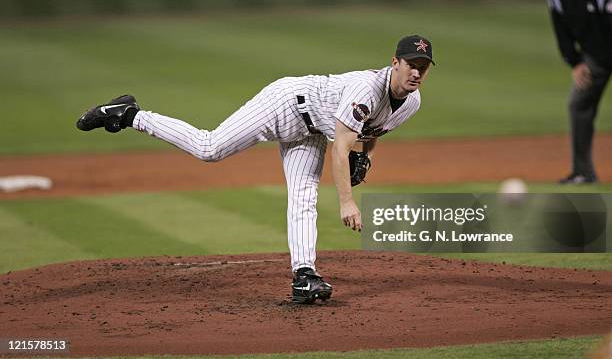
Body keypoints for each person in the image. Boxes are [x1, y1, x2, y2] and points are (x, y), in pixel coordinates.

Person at [76, 35, 435, 303]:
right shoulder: (366, 88)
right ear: (395, 63)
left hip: (311, 132)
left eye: (423, 66)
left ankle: (304, 276)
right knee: (209, 147)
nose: (416, 72)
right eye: (411, 64)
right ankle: (129, 115)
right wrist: (347, 201)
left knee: (303, 196)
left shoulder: (412, 102)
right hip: (286, 104)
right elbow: (340, 147)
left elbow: (373, 129)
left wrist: (366, 154)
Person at [548, 0, 611, 184]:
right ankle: (583, 172)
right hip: (595, 58)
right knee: (578, 104)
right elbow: (561, 30)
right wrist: (575, 62)